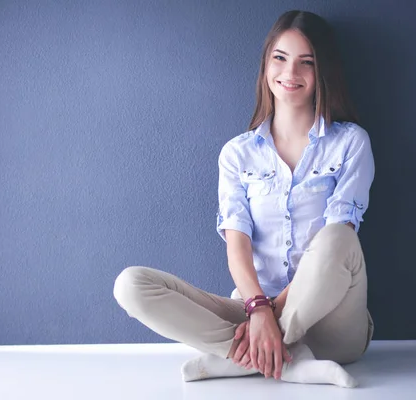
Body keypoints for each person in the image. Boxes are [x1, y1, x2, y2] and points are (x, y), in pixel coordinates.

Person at [113, 10, 374, 388]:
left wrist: (267, 317)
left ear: (323, 72)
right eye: (280, 58)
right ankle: (287, 362)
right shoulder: (237, 154)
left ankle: (246, 355)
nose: (290, 73)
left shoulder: (351, 143)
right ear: (266, 63)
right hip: (254, 309)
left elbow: (341, 238)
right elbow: (237, 246)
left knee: (337, 238)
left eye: (307, 62)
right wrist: (255, 307)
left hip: (334, 323)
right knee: (131, 285)